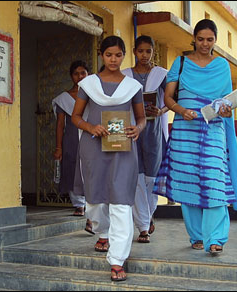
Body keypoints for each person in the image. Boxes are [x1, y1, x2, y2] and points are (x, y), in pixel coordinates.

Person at [153, 19, 237, 256]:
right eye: (200, 39)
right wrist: (181, 111)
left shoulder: (222, 66)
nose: (205, 44)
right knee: (188, 180)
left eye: (210, 40)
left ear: (215, 41)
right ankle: (197, 235)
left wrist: (227, 110)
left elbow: (226, 99)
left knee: (214, 179)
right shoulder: (181, 62)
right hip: (185, 129)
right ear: (194, 39)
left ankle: (216, 238)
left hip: (213, 128)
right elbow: (168, 97)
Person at [72, 35, 146, 281]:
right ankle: (102, 231)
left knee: (122, 202)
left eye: (118, 55)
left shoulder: (132, 86)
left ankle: (117, 260)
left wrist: (138, 128)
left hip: (123, 149)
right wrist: (91, 127)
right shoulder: (89, 84)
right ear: (101, 55)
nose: (114, 60)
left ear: (124, 55)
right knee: (95, 201)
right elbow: (76, 117)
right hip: (94, 147)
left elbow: (141, 117)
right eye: (109, 55)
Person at [122, 35, 168, 243]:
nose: (144, 55)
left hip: (154, 132)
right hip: (132, 131)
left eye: (148, 51)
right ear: (134, 52)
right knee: (136, 177)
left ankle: (148, 216)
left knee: (151, 178)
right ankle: (142, 226)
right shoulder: (124, 76)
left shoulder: (161, 75)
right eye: (140, 51)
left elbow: (172, 99)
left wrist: (162, 110)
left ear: (153, 52)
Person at [52, 60, 93, 233]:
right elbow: (60, 124)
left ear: (88, 74)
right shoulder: (64, 99)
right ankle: (78, 205)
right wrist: (58, 147)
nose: (79, 76)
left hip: (90, 136)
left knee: (89, 169)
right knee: (71, 167)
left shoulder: (94, 95)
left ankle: (91, 206)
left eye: (83, 73)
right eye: (76, 73)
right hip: (70, 139)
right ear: (71, 76)